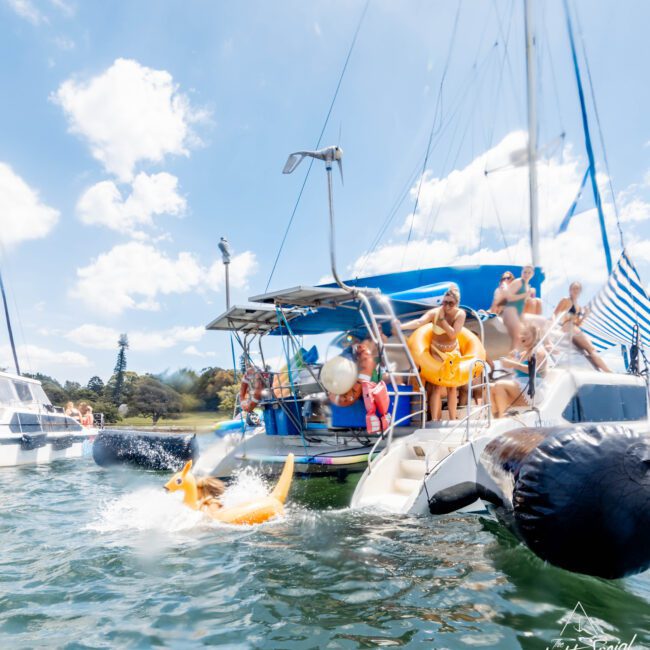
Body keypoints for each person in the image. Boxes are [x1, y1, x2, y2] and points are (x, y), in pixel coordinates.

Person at [396, 287, 466, 420]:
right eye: (444, 302)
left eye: (450, 303)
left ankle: (452, 419)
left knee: (452, 387)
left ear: (457, 303)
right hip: (436, 351)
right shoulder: (435, 312)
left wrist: (442, 321)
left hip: (453, 352)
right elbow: (419, 322)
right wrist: (402, 326)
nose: (446, 306)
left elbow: (452, 334)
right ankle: (434, 419)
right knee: (436, 387)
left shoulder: (460, 314)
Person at [490, 322, 546, 418]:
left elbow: (533, 370)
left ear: (535, 335)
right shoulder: (522, 354)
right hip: (520, 387)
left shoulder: (538, 351)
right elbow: (508, 367)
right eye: (521, 334)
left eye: (525, 333)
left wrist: (513, 363)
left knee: (500, 385)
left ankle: (502, 418)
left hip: (532, 389)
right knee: (490, 386)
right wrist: (509, 359)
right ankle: (496, 417)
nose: (521, 336)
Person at [554, 281, 611, 373]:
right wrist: (551, 324)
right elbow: (555, 313)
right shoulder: (566, 300)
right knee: (591, 349)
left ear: (580, 291)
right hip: (567, 326)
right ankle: (608, 371)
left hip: (573, 327)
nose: (575, 290)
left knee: (589, 350)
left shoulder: (579, 307)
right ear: (570, 290)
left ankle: (602, 370)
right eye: (573, 288)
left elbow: (577, 323)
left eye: (577, 288)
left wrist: (585, 316)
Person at [502, 265, 534, 346]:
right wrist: (525, 294)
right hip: (510, 310)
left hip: (518, 313)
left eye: (529, 272)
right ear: (521, 272)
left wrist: (529, 296)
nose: (526, 274)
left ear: (532, 274)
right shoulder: (518, 282)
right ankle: (512, 357)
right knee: (517, 336)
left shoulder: (527, 287)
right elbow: (508, 297)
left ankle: (516, 356)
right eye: (525, 272)